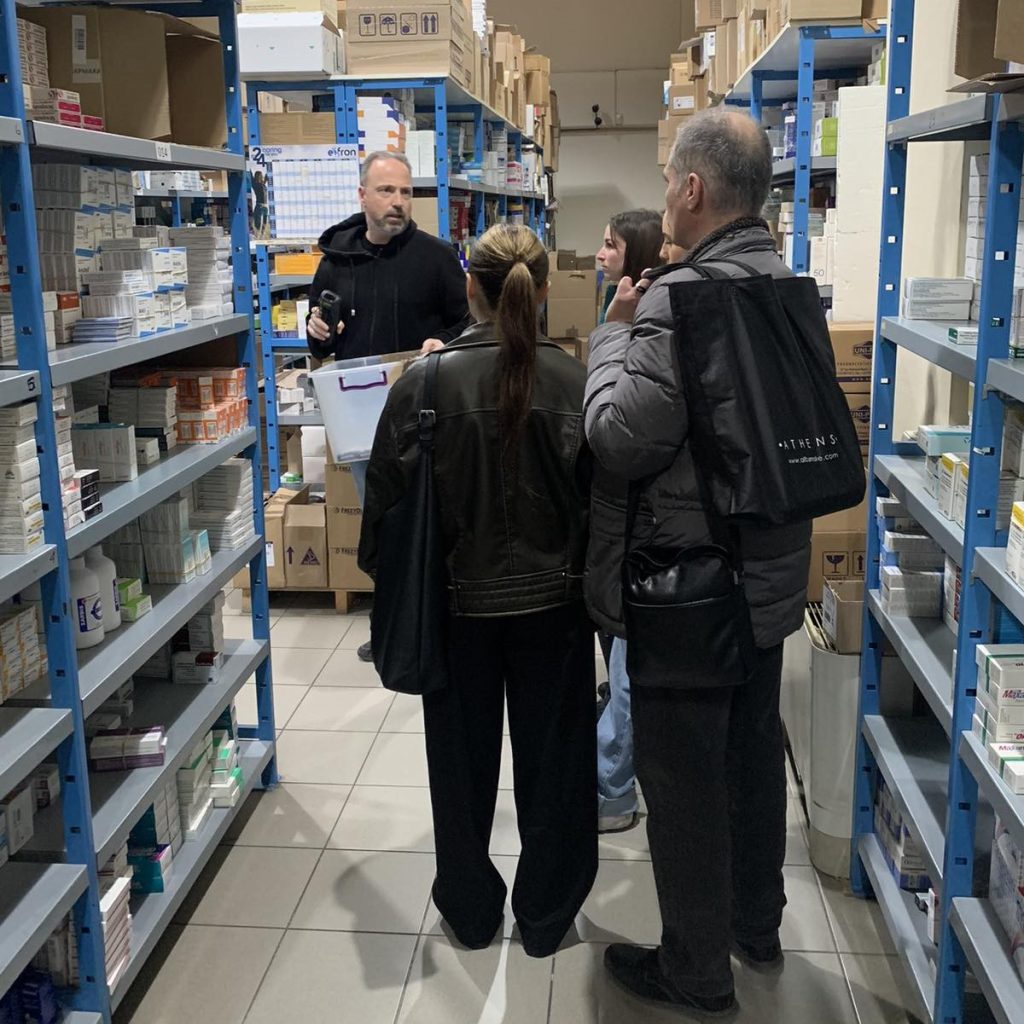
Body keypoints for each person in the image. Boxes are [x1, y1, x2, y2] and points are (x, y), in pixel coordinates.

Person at [584, 108, 812, 1015]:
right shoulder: (789, 284)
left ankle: (695, 970)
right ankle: (757, 927)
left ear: (691, 189)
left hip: (690, 589)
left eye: (665, 180)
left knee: (681, 782)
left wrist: (613, 333)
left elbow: (618, 435)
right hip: (770, 578)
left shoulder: (675, 300)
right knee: (754, 761)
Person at [358, 224, 598, 957]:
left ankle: (469, 912)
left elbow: (383, 514)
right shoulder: (577, 383)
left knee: (459, 770)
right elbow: (603, 506)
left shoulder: (423, 385)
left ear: (471, 289)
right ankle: (547, 916)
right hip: (558, 612)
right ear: (544, 291)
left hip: (455, 610)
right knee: (556, 766)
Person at [307, 150, 471, 661]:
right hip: (363, 423)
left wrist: (443, 342)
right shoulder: (335, 262)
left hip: (427, 414)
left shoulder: (436, 257)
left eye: (405, 191)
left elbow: (467, 322)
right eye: (386, 191)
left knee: (436, 521)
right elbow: (320, 342)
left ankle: (444, 624)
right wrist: (317, 333)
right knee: (383, 525)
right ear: (363, 196)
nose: (398, 201)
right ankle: (395, 626)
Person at [588, 209, 666, 835]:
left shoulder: (643, 323)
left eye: (610, 245)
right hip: (621, 520)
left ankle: (612, 791)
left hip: (643, 525)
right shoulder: (623, 307)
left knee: (628, 670)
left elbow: (615, 429)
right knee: (619, 657)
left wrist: (613, 331)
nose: (599, 253)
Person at [596, 209, 665, 324]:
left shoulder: (657, 305)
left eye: (610, 245)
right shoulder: (613, 292)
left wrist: (616, 322)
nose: (599, 255)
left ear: (637, 252)